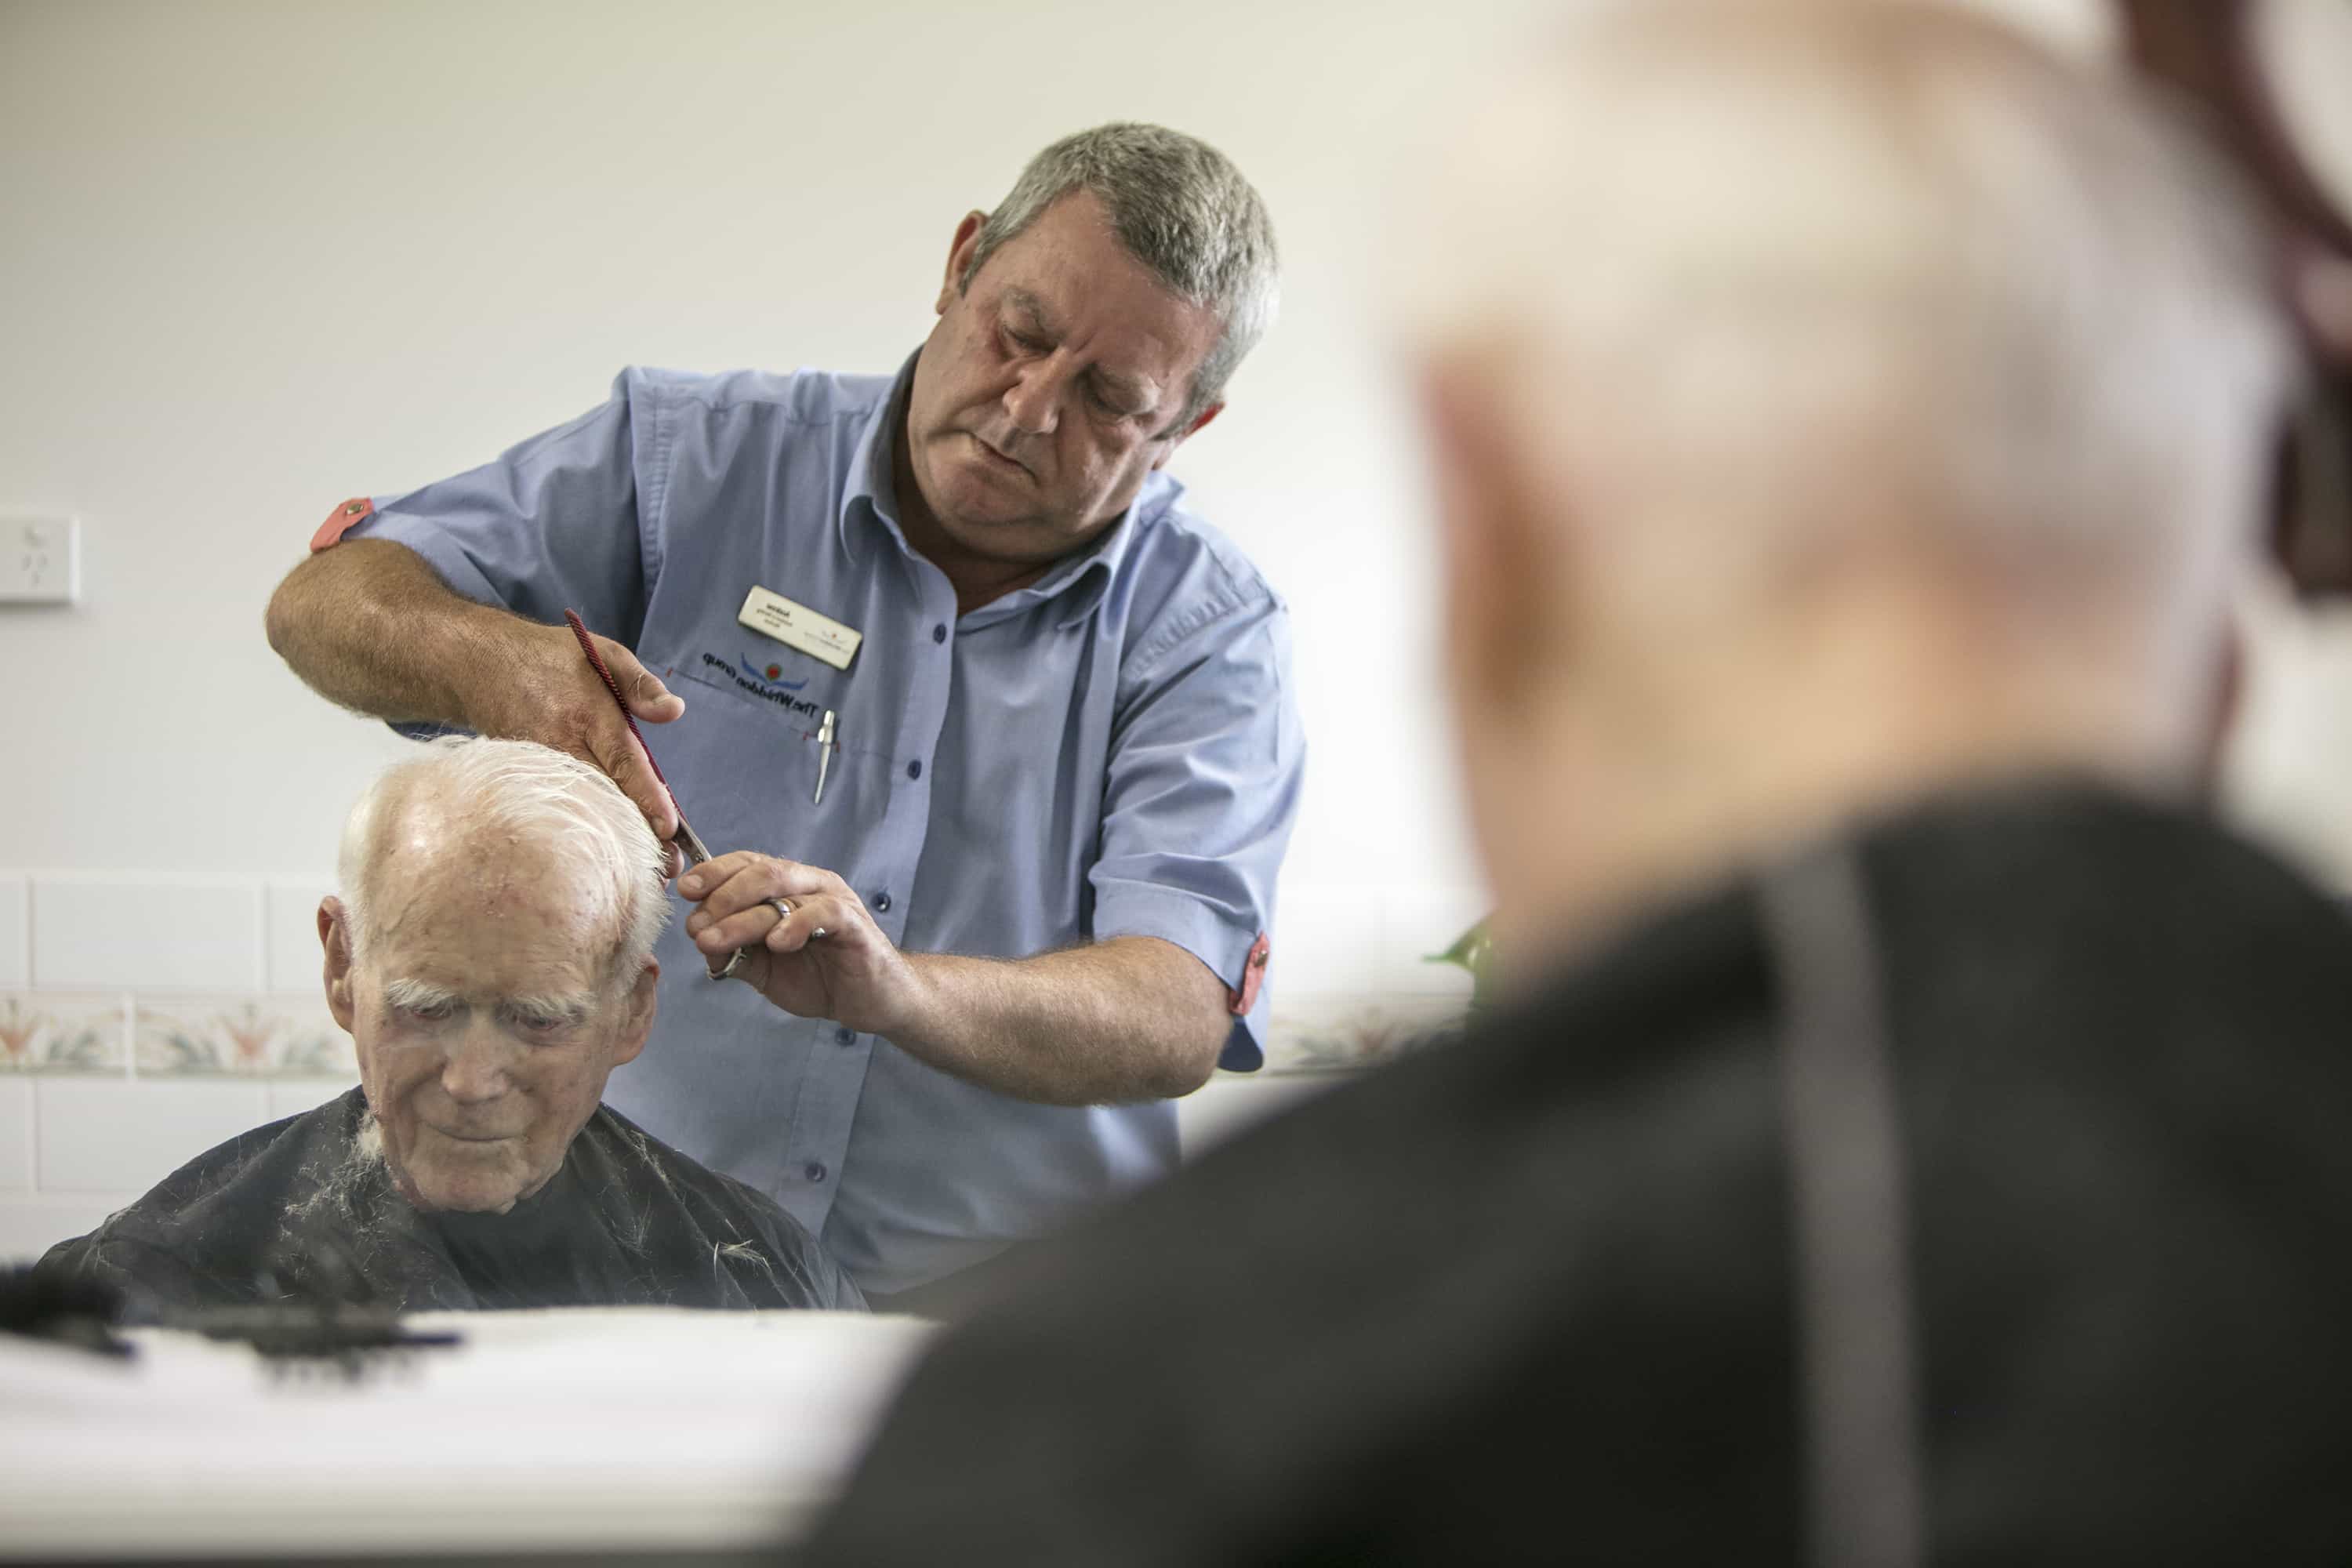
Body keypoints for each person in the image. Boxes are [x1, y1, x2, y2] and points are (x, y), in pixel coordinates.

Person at [802, 2, 2352, 1560]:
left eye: (1113, 400)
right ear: (2228, 633)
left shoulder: (1128, 1425)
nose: (1026, 409)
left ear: (1490, 524)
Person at [262, 123, 1301, 1304]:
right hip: (633, 1277)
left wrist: (895, 989)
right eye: (1020, 332)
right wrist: (498, 665)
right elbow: (326, 601)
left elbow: (1175, 1015)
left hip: (998, 1320)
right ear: (962, 262)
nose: (1027, 408)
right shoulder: (686, 463)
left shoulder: (1210, 633)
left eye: (1110, 399)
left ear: (1185, 429)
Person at [41, 739, 862, 1315]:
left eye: (538, 1020)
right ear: (341, 968)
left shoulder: (763, 1282)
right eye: (426, 1008)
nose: (471, 1081)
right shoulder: (146, 1276)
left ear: (631, 1012)